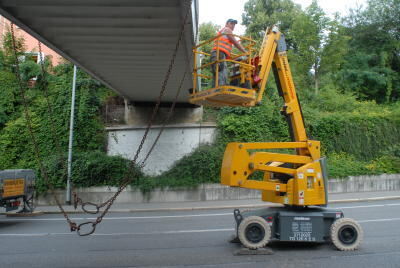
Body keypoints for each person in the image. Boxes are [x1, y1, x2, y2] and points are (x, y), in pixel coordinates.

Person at [211, 19, 247, 87]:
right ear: (226, 24)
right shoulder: (227, 29)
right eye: (231, 23)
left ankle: (215, 87)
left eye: (234, 24)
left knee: (217, 71)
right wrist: (244, 51)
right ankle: (221, 86)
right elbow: (235, 42)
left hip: (216, 53)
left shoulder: (222, 31)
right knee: (222, 70)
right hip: (220, 53)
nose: (233, 26)